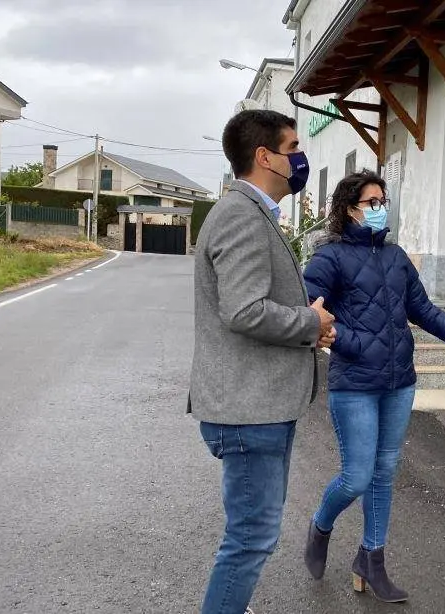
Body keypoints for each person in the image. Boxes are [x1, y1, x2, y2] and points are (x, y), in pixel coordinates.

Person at [301, 169, 445, 603]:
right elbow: (308, 309)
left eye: (384, 202)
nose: (381, 210)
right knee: (357, 476)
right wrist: (345, 339)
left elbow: (420, 306)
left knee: (384, 473)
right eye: (372, 203)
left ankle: (371, 560)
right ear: (349, 209)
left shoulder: (396, 256)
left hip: (399, 383)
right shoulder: (330, 258)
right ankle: (321, 525)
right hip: (355, 384)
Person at [188, 109, 337, 614]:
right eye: (294, 148)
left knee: (251, 536)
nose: (300, 158)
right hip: (249, 410)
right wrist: (309, 324)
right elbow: (244, 309)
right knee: (252, 539)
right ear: (265, 156)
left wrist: (304, 324)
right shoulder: (240, 216)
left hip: (257, 406)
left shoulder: (250, 214)